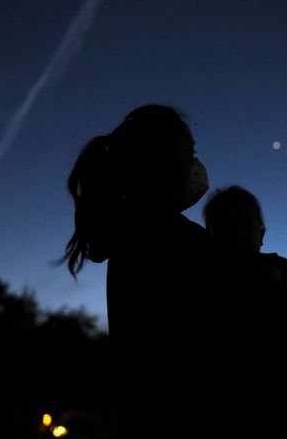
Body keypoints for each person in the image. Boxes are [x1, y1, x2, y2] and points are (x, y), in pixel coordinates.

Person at [64, 105, 221, 437]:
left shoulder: (128, 232)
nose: (196, 165)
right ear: (159, 159)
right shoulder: (176, 238)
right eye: (190, 152)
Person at [203, 185, 287, 439]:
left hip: (284, 406)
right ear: (211, 234)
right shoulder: (205, 280)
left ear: (262, 233)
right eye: (226, 227)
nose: (239, 235)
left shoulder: (281, 270)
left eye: (247, 226)